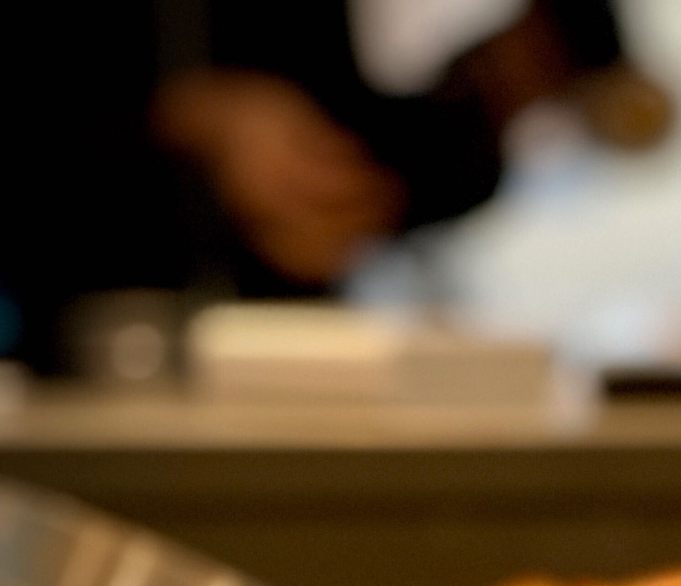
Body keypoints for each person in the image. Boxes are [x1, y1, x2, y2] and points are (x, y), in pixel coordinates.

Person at [0, 0, 624, 373]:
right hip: (68, 360)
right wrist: (191, 115)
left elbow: (366, 141)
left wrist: (492, 95)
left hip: (286, 366)